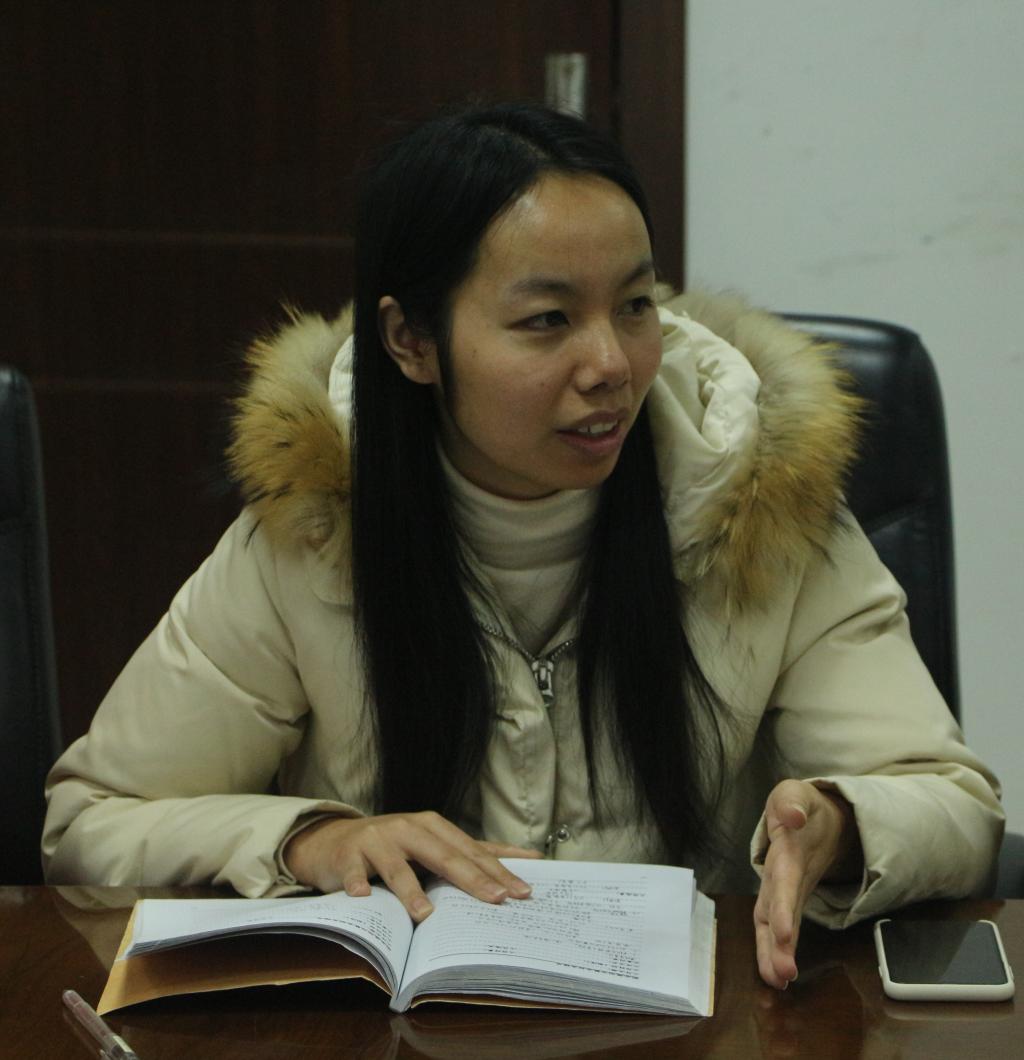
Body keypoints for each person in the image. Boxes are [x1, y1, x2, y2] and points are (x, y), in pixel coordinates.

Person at [43, 101, 1003, 991]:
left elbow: (952, 803)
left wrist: (843, 824)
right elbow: (92, 826)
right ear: (411, 341)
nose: (611, 365)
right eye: (548, 321)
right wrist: (307, 841)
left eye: (635, 305)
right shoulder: (313, 529)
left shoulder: (762, 508)